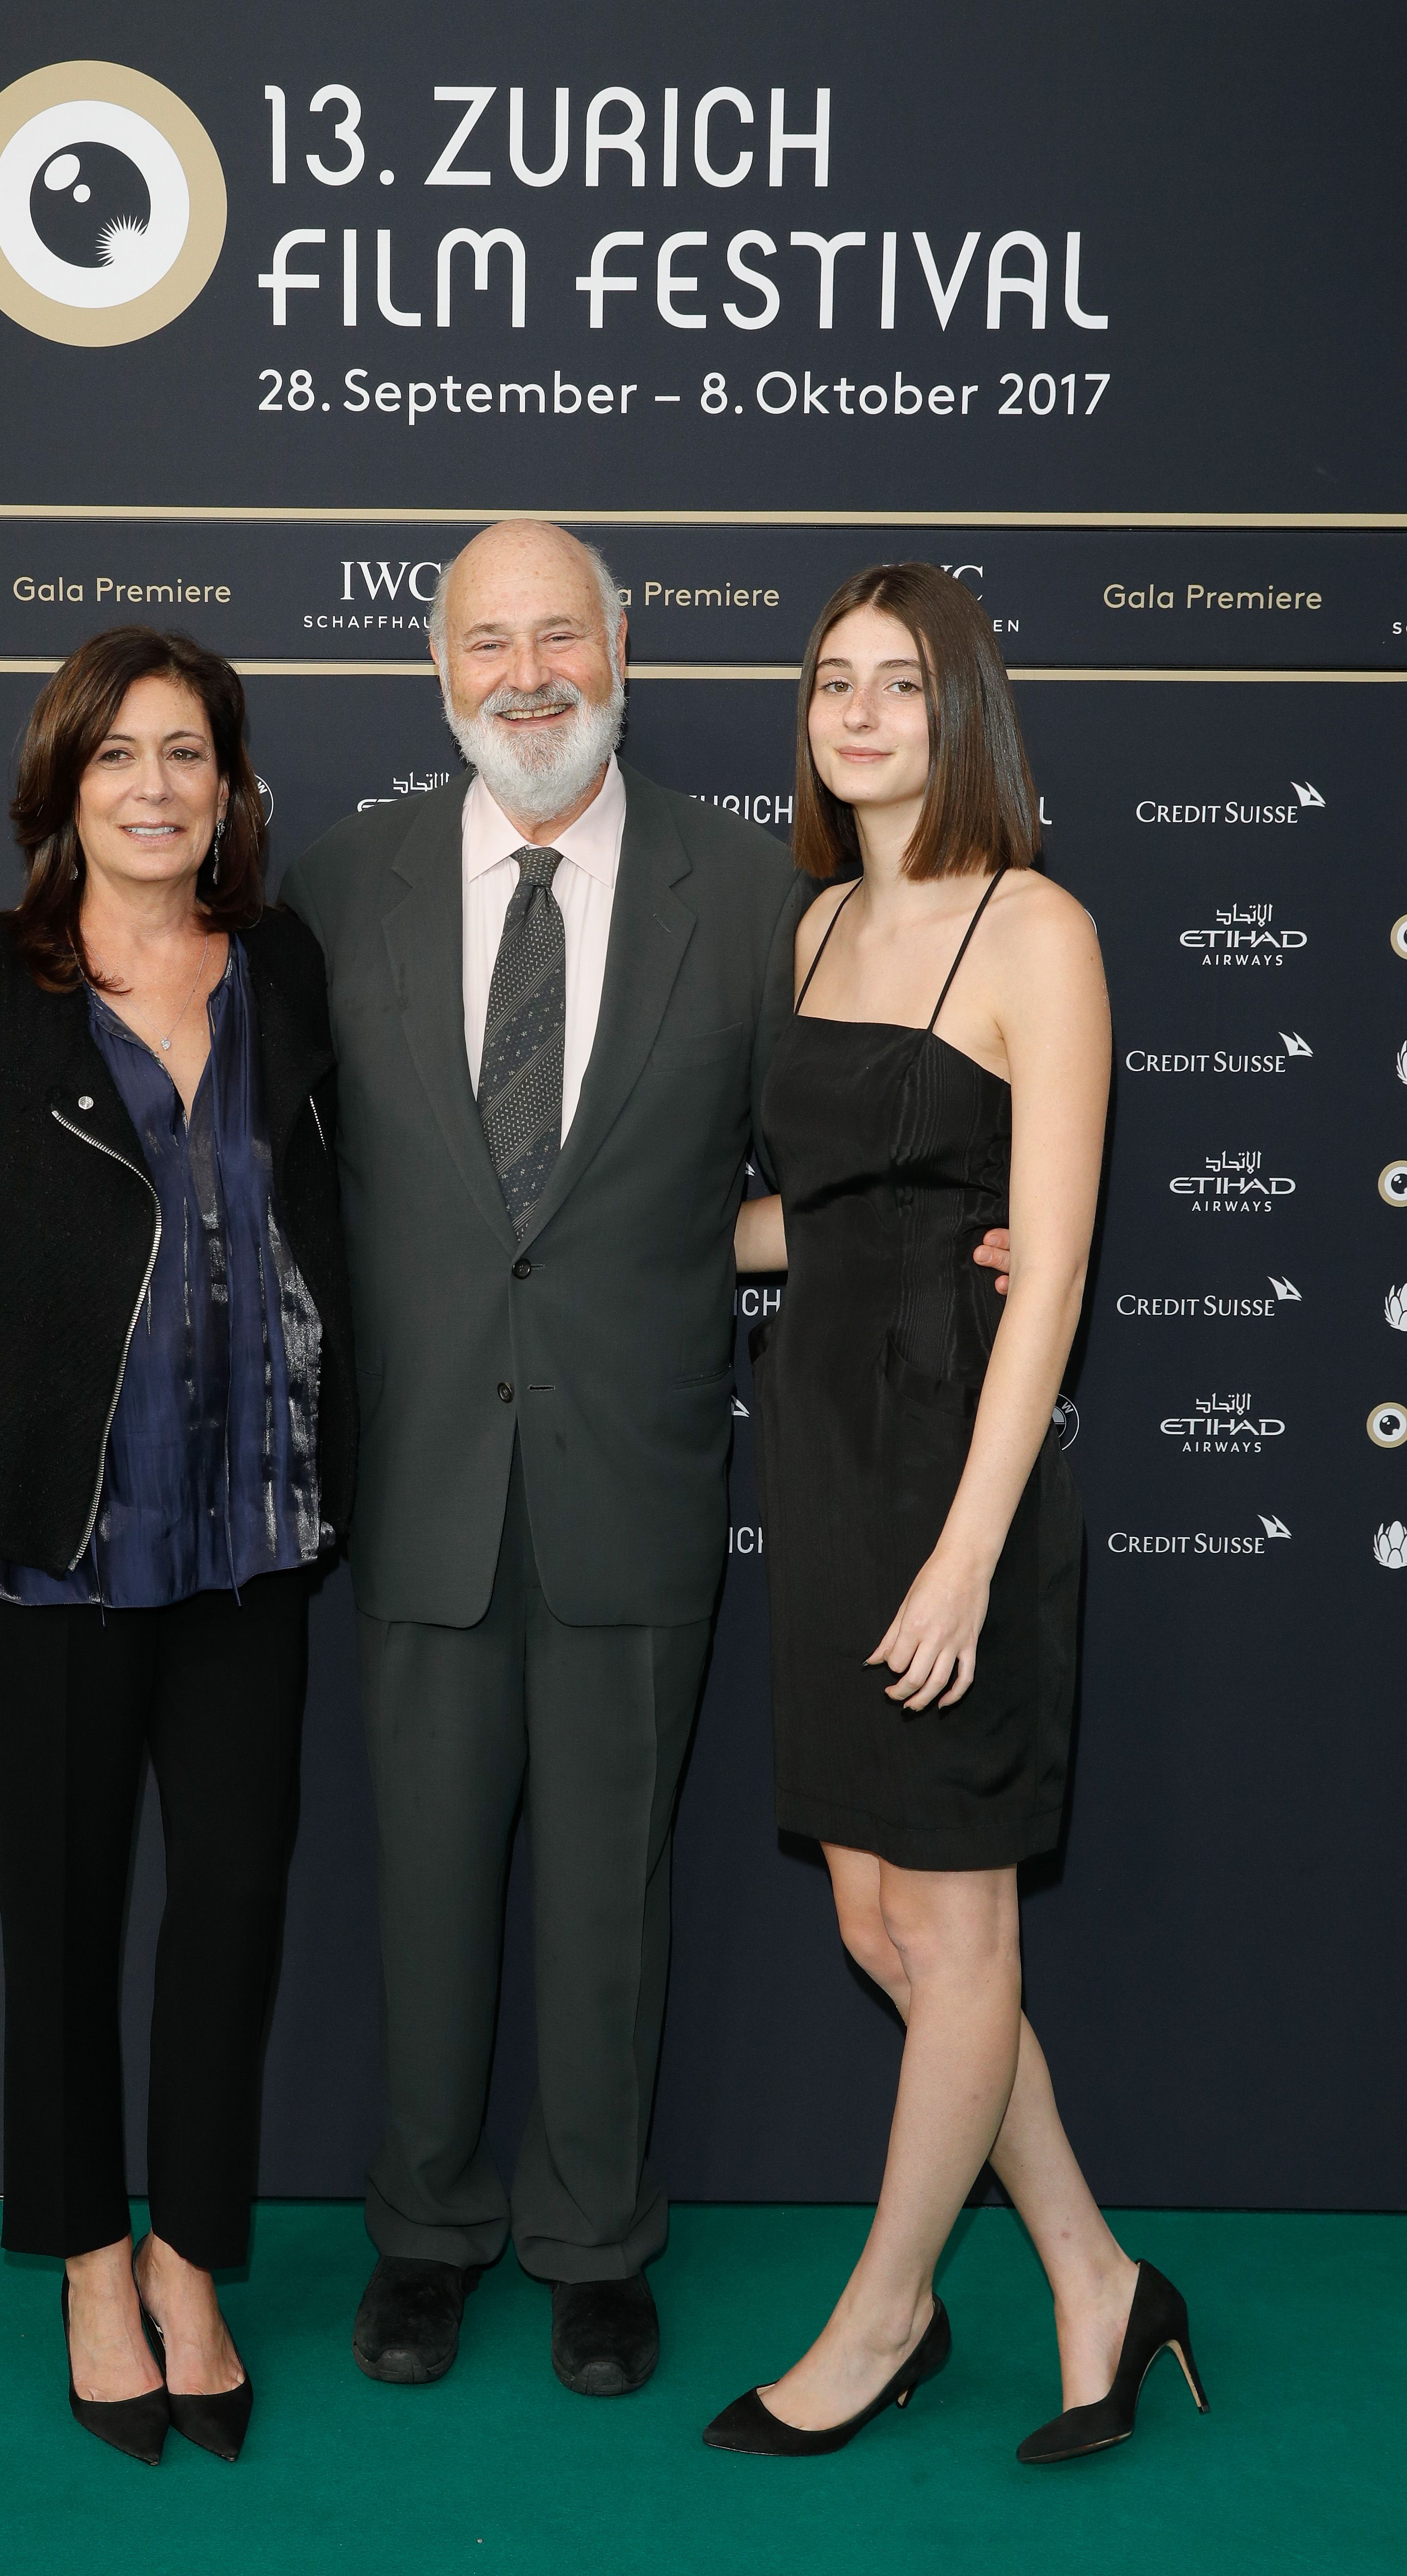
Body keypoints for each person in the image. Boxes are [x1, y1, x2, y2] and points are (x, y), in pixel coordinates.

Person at [280, 524, 1012, 2397]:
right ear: (433, 666)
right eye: (483, 640)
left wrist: (957, 1237)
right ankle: (429, 2232)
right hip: (423, 1479)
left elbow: (848, 1146)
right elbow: (257, 1161)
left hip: (639, 1473)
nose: (524, 674)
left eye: (560, 635)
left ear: (625, 648)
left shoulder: (752, 892)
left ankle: (596, 2242)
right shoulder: (340, 883)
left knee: (613, 1894)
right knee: (425, 1887)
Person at [705, 564, 1209, 2465]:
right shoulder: (818, 919)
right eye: (830, 682)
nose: (855, 714)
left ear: (960, 710)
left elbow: (1051, 1261)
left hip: (955, 1464)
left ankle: (885, 2313)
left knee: (957, 1922)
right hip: (821, 1451)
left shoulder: (1038, 931)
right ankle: (1088, 2271)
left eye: (896, 684)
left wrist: (969, 1547)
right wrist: (600, 1226)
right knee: (877, 1920)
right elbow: (810, 1213)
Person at [0, 627, 355, 2466]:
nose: (155, 787)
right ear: (64, 786)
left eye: (188, 755)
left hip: (257, 1530)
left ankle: (195, 2269)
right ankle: (88, 2263)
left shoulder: (286, 968)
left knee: (230, 1912)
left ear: (230, 788)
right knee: (61, 1925)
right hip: (54, 1545)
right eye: (118, 756)